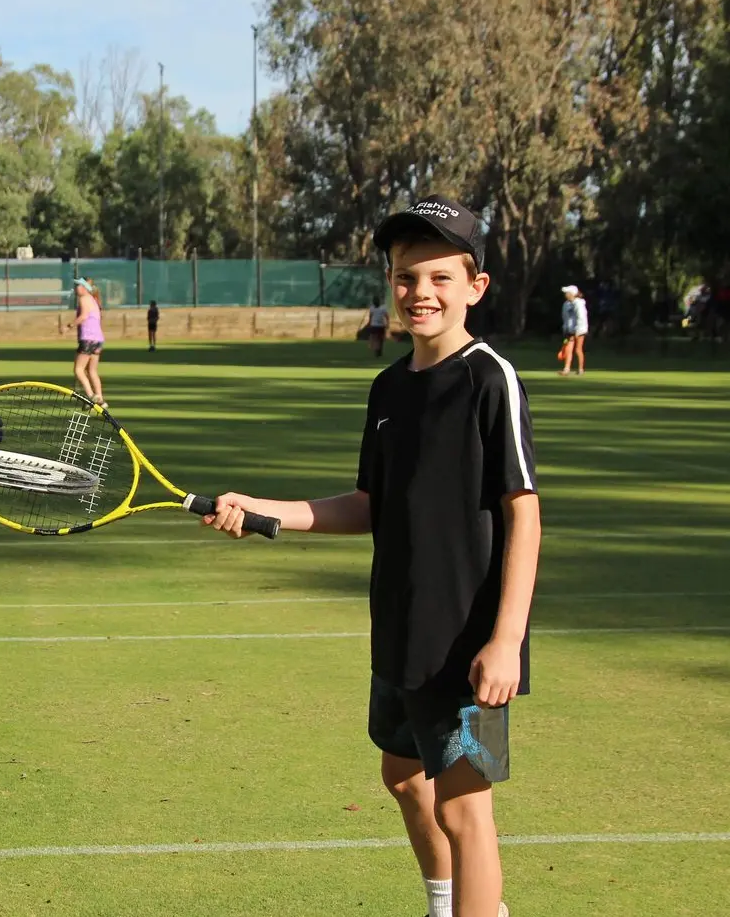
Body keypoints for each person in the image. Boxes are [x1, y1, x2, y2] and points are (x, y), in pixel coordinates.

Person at [203, 195, 539, 917]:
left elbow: (524, 510)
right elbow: (367, 505)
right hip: (398, 631)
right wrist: (267, 510)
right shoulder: (388, 388)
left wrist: (505, 640)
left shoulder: (489, 379)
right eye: (405, 276)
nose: (420, 292)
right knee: (401, 776)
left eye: (440, 277)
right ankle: (443, 903)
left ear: (475, 287)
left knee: (465, 810)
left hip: (467, 644)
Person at [71, 276, 106, 406]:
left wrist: (69, 325)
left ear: (85, 288)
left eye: (78, 286)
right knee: (92, 371)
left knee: (78, 370)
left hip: (88, 339)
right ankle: (101, 400)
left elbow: (84, 316)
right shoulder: (93, 300)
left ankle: (91, 396)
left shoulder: (84, 298)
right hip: (97, 339)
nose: (76, 288)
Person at [559, 284, 588, 376]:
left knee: (578, 349)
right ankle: (566, 369)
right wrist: (565, 329)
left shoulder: (579, 303)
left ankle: (580, 369)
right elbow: (565, 318)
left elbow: (581, 318)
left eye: (567, 293)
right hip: (569, 330)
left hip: (580, 330)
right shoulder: (566, 304)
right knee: (568, 349)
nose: (565, 294)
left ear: (572, 293)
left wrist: (578, 331)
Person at [366, 294, 390, 358]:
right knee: (379, 339)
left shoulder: (373, 308)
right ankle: (378, 351)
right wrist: (387, 324)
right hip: (380, 326)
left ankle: (376, 350)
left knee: (376, 338)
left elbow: (370, 317)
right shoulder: (382, 308)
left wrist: (369, 324)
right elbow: (387, 317)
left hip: (375, 325)